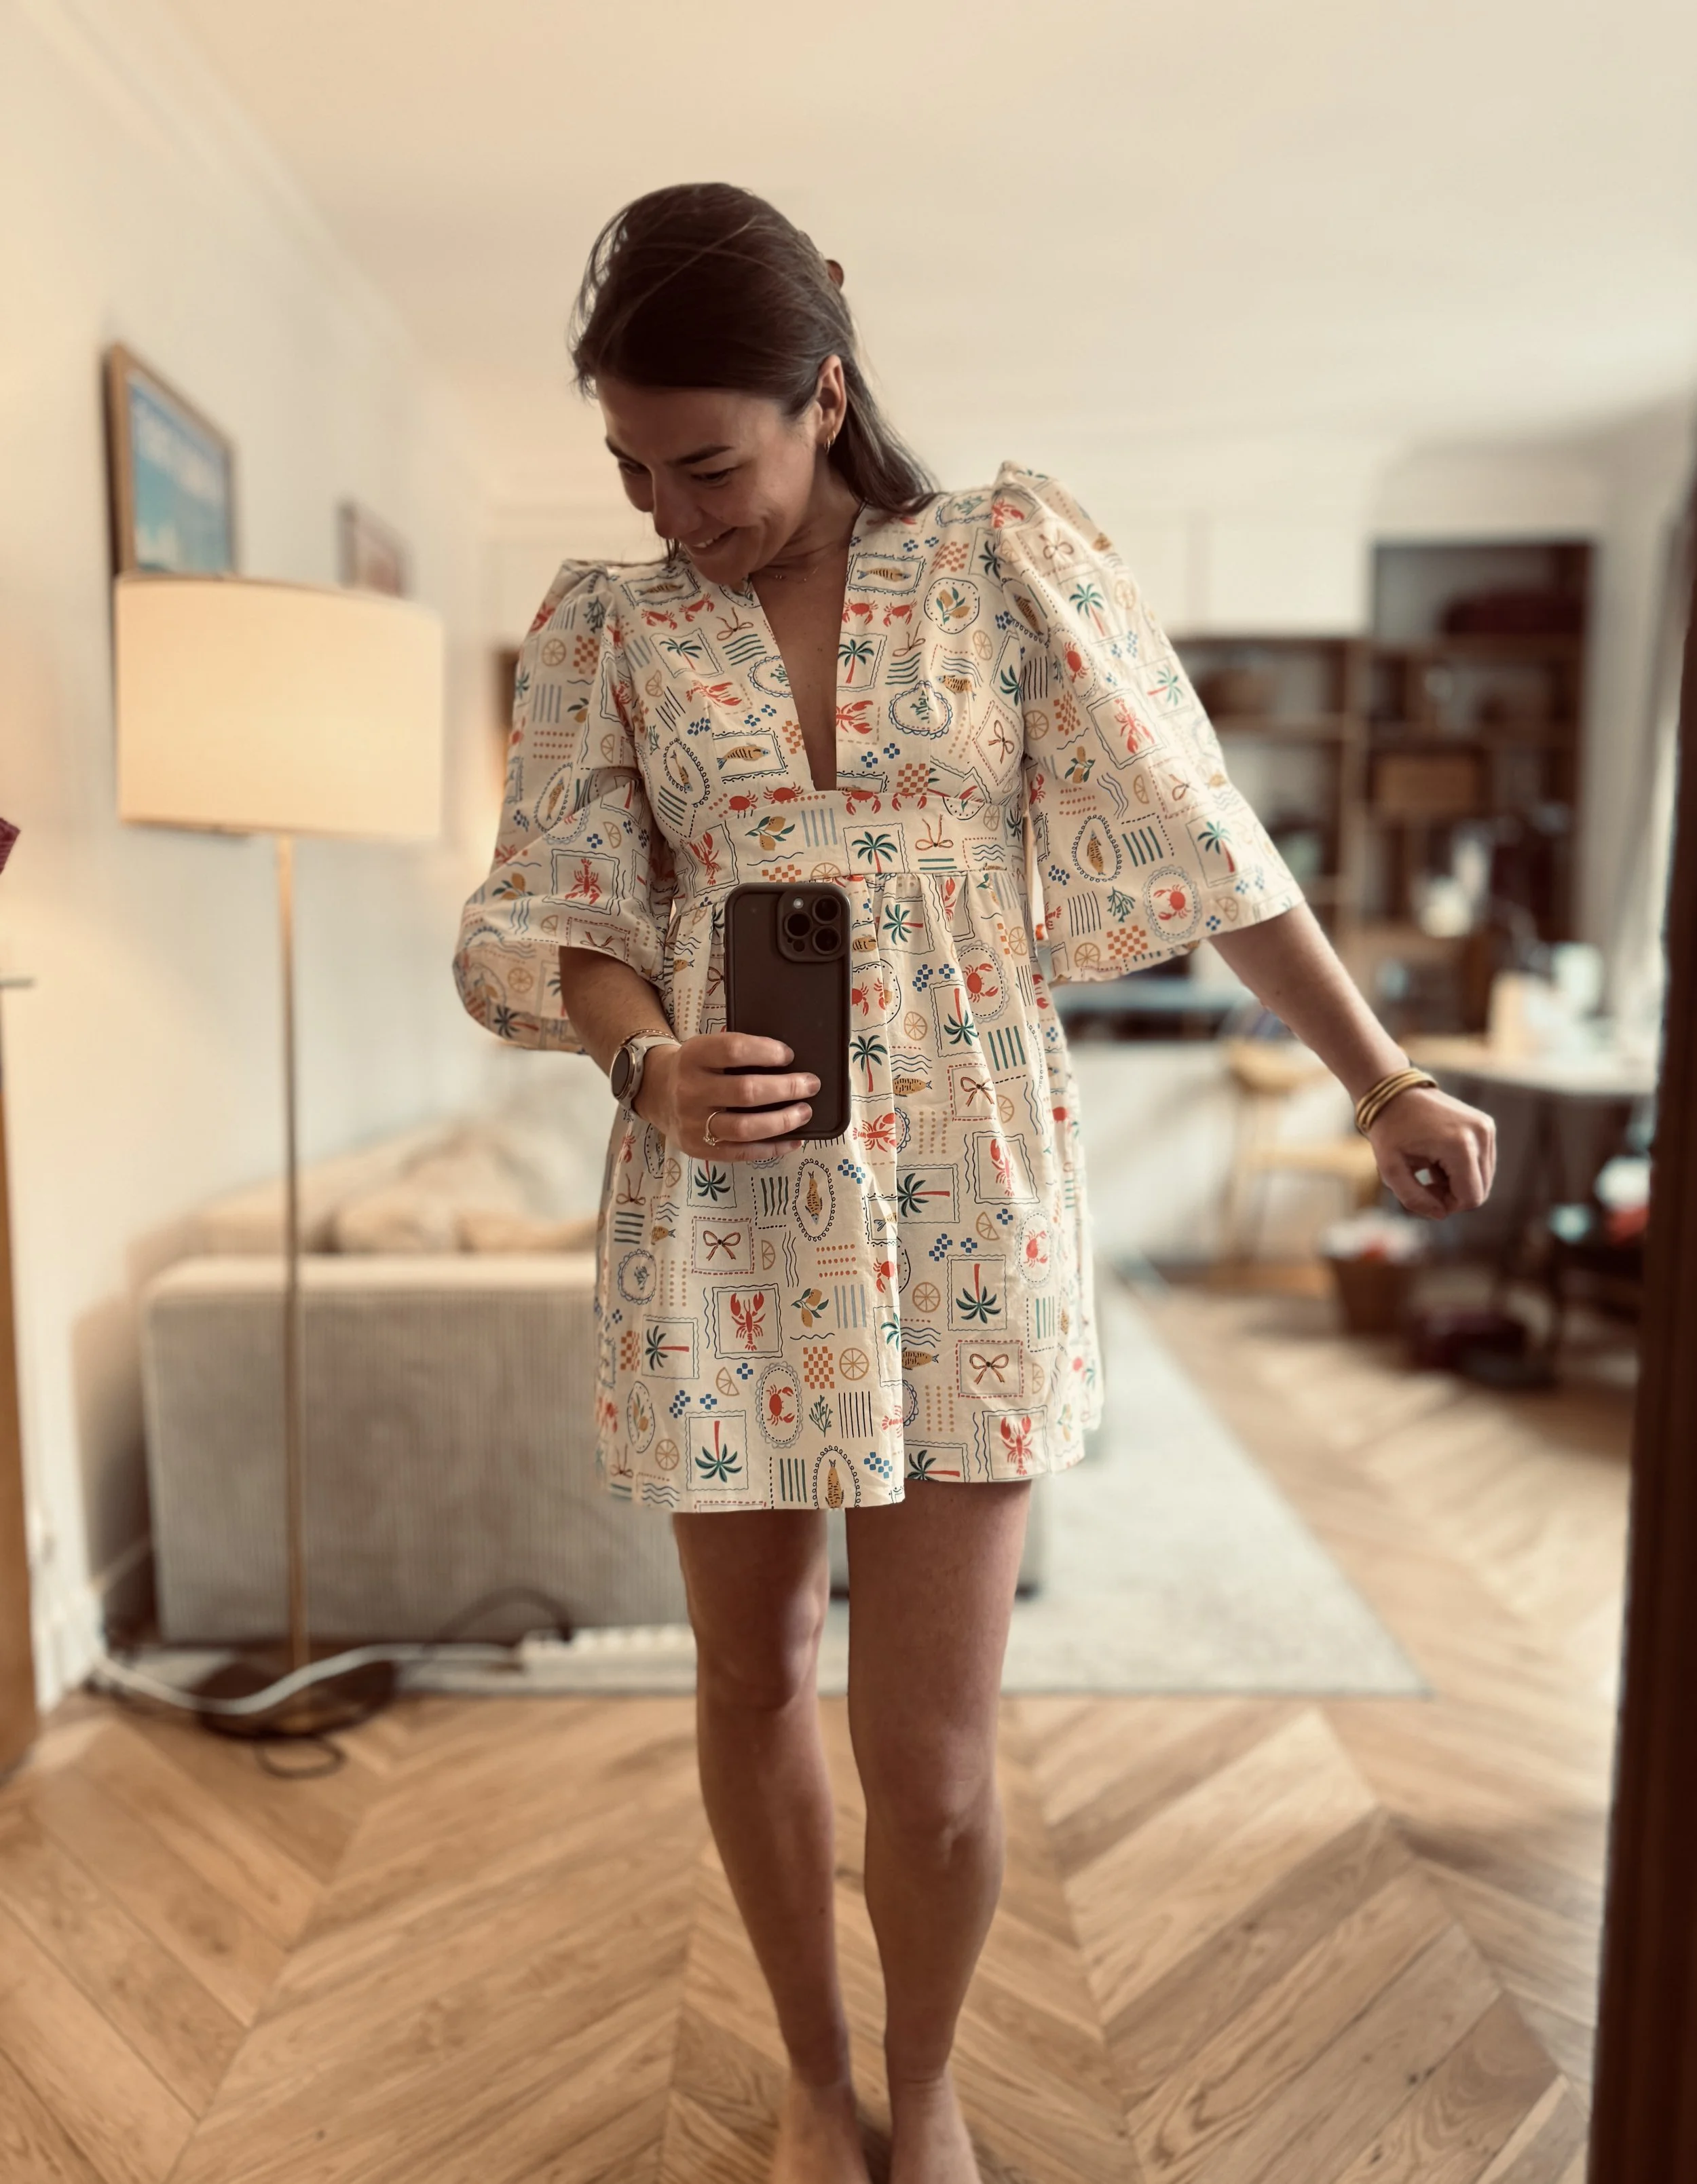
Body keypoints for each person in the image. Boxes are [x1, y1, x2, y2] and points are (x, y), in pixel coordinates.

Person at [453, 183, 1496, 2184]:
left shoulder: (1004, 556)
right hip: (721, 1200)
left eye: (709, 465)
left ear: (825, 395)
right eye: (633, 470)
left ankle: (922, 2083)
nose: (673, 512)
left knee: (928, 1759)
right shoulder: (606, 628)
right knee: (753, 1672)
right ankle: (811, 2077)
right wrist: (645, 1062)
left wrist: (1382, 1074)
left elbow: (1202, 835)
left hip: (971, 1198)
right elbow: (562, 909)